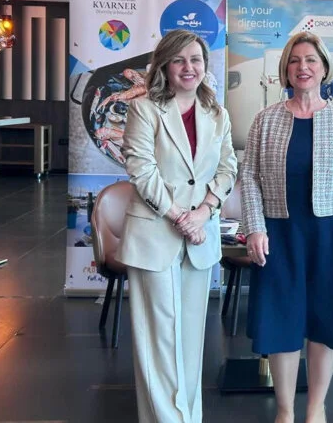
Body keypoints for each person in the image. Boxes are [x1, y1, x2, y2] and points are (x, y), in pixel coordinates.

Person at [241, 31, 333, 423]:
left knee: (325, 320)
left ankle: (315, 408)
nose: (303, 67)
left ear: (324, 69)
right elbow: (248, 177)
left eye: (311, 60)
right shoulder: (265, 120)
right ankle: (285, 411)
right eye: (295, 60)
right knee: (282, 320)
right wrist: (254, 227)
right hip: (279, 233)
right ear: (285, 69)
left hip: (330, 235)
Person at [116, 29, 237, 423]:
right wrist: (180, 216)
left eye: (196, 59)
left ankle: (189, 417)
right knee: (159, 339)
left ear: (205, 65)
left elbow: (227, 168)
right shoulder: (144, 109)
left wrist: (203, 212)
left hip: (199, 237)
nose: (189, 67)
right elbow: (141, 169)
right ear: (165, 66)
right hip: (155, 233)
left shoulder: (217, 114)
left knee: (189, 340)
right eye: (179, 60)